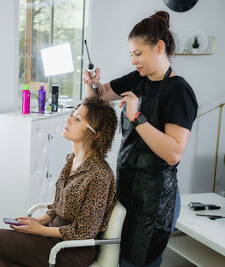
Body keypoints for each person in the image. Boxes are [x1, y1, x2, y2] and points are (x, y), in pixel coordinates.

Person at [83, 11, 198, 267]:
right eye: (131, 55)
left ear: (159, 47)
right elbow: (100, 97)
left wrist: (137, 118)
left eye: (138, 53)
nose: (134, 61)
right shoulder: (138, 79)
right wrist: (93, 83)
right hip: (128, 191)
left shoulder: (178, 91)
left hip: (155, 200)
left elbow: (173, 152)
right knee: (119, 259)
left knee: (136, 262)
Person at [0, 97, 118, 267]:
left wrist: (40, 230)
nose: (68, 119)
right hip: (51, 238)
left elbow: (85, 231)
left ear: (96, 134)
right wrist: (38, 222)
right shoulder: (72, 160)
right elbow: (58, 207)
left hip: (70, 250)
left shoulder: (100, 175)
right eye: (73, 114)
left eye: (77, 119)